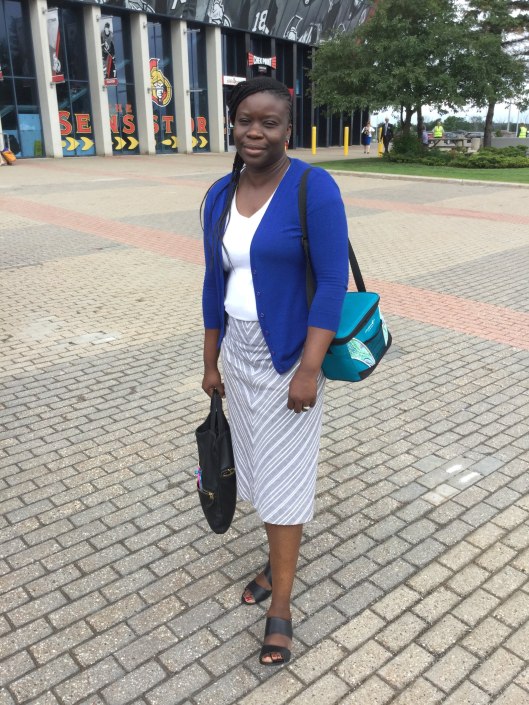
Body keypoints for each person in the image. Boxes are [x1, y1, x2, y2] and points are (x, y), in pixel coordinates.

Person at [200, 77, 348, 666]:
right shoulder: (219, 193)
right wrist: (210, 360)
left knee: (285, 479)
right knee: (258, 470)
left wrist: (309, 368)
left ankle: (281, 605)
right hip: (237, 354)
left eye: (269, 122)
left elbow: (332, 282)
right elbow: (213, 281)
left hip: (289, 354)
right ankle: (274, 561)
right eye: (245, 121)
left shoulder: (314, 187)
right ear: (232, 125)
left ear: (289, 129)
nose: (254, 132)